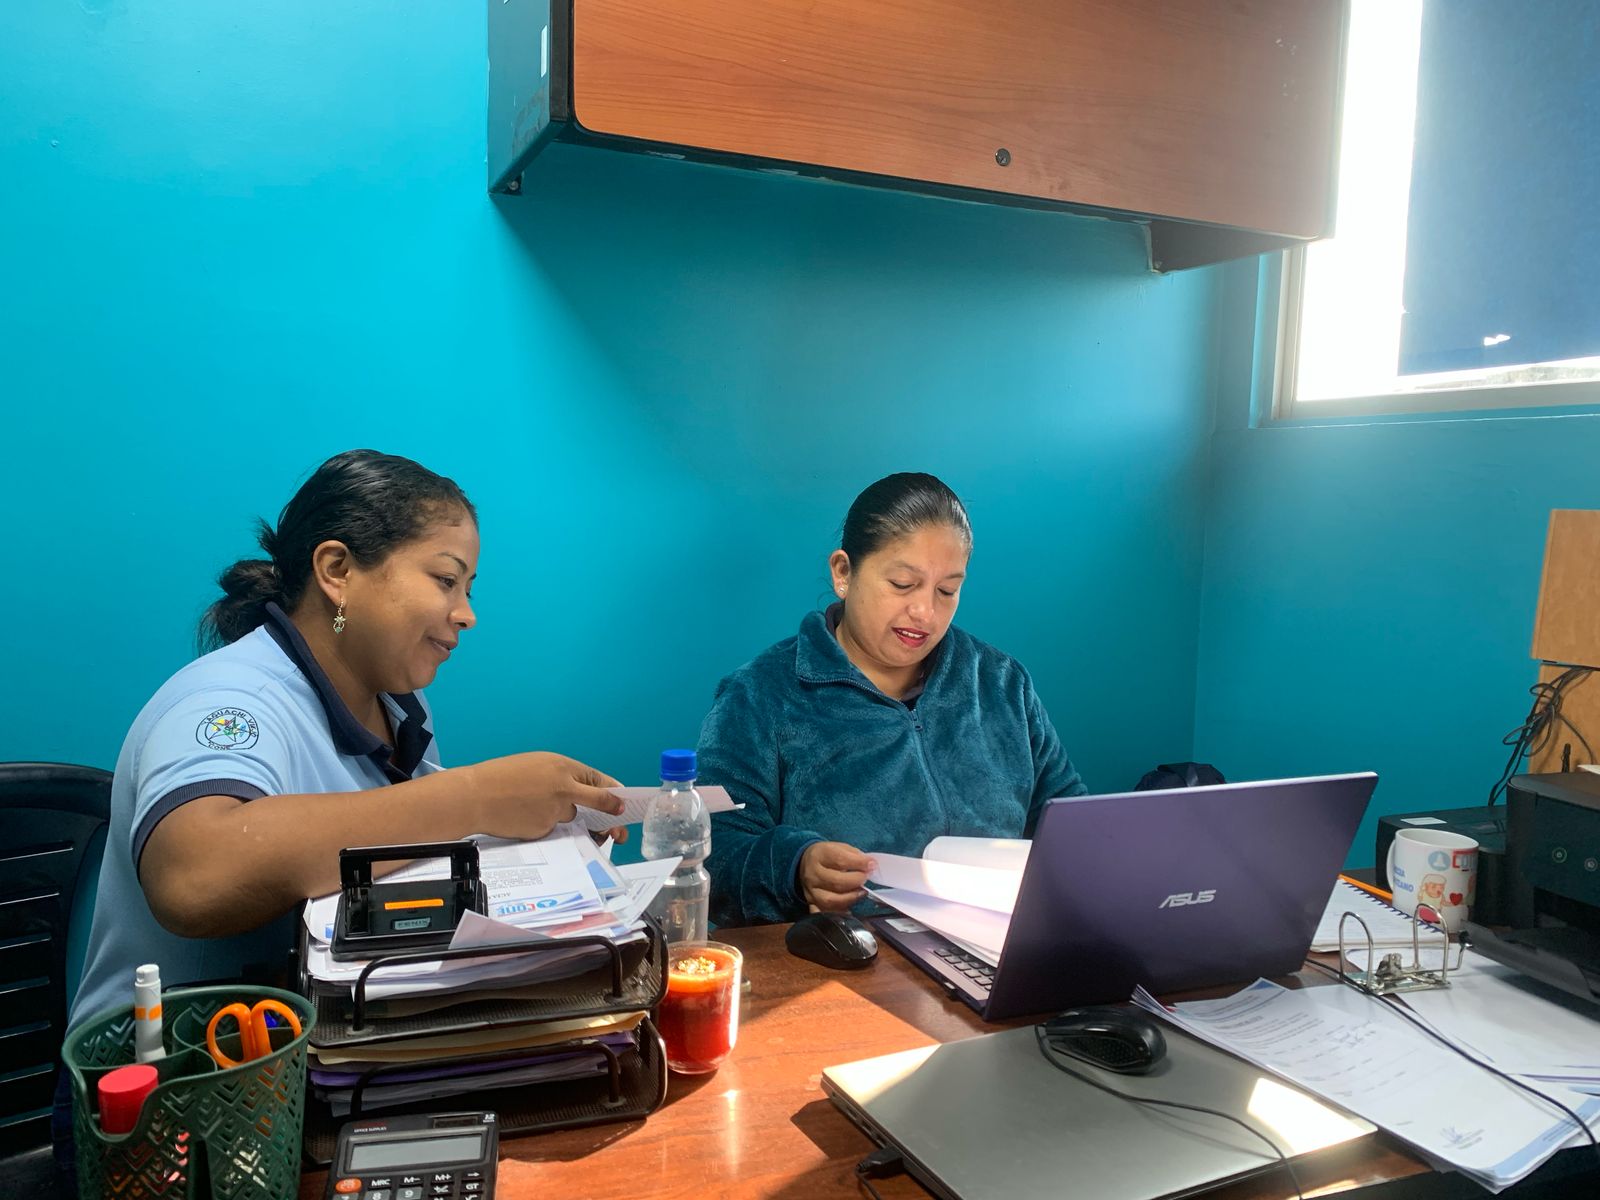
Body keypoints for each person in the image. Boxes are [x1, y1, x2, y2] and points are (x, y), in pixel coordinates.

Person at [70, 449, 627, 1024]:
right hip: (180, 1065)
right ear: (337, 570)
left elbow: (395, 853)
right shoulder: (229, 701)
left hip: (337, 1037)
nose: (466, 614)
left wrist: (537, 836)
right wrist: (475, 798)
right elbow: (193, 879)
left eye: (468, 589)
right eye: (445, 580)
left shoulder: (399, 706)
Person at [699, 472, 1086, 926]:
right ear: (843, 572)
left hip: (995, 948)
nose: (925, 612)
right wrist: (795, 867)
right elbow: (710, 855)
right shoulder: (760, 695)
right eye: (903, 583)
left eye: (947, 590)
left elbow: (1072, 826)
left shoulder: (1001, 684)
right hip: (842, 958)